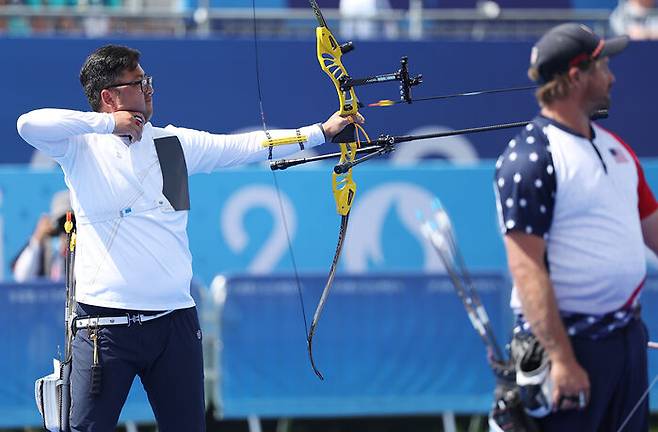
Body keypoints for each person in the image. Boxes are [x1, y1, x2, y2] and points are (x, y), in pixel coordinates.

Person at [17, 44, 360, 431]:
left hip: (175, 323)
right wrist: (110, 124)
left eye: (148, 80)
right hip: (104, 327)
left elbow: (248, 146)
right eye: (138, 82)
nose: (149, 89)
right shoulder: (80, 146)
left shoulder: (173, 143)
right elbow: (27, 124)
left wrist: (321, 131)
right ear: (109, 97)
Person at [494, 23, 656, 430]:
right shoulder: (532, 158)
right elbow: (527, 269)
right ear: (576, 76)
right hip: (570, 347)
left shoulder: (617, 149)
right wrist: (563, 360)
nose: (612, 76)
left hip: (626, 342)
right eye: (603, 65)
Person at [12, 190, 73, 282]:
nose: (66, 226)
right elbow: (21, 277)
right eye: (61, 221)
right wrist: (37, 238)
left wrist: (73, 248)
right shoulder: (44, 242)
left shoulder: (85, 242)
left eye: (72, 221)